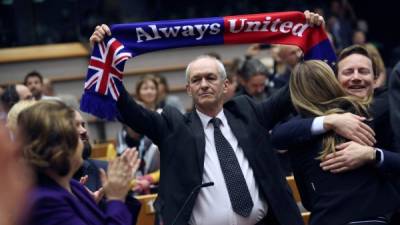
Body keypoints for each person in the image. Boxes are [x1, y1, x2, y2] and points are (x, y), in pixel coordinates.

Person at [271, 60, 400, 225]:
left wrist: (371, 154)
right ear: (333, 81)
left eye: (363, 70)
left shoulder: (298, 135)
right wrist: (330, 121)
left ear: (295, 93)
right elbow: (277, 136)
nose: (356, 78)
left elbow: (307, 200)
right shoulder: (365, 113)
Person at [20, 100, 141, 225]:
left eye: (83, 125)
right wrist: (116, 198)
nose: (83, 131)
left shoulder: (75, 187)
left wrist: (95, 206)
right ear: (54, 143)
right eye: (74, 128)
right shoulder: (44, 201)